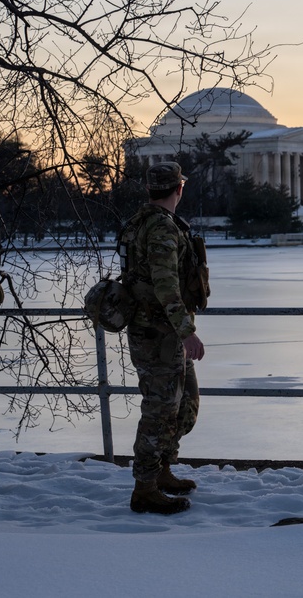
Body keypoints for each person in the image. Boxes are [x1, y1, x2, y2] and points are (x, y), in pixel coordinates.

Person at [121, 162, 207, 514]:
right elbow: (165, 283)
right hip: (160, 333)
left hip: (163, 330)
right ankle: (144, 489)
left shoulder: (147, 222)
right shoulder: (159, 227)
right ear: (179, 190)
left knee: (183, 404)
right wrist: (187, 332)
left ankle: (162, 470)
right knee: (159, 411)